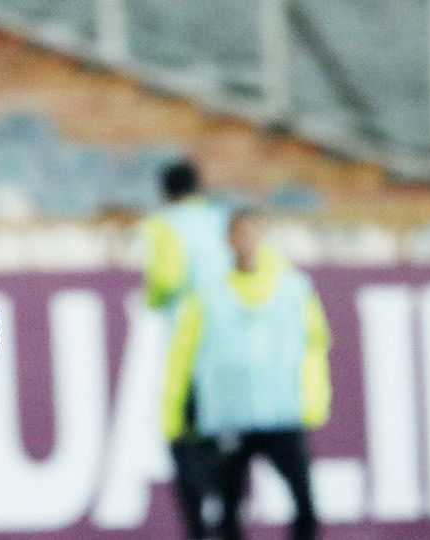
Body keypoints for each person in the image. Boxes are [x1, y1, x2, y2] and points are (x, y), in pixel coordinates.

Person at [161, 210, 331, 540]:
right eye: (239, 234)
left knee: (305, 504)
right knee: (228, 509)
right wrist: (174, 413)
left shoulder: (293, 288)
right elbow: (182, 355)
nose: (246, 242)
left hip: (281, 413)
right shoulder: (206, 292)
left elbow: (315, 345)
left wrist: (314, 400)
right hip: (229, 416)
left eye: (252, 233)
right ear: (228, 240)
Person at [144, 160, 232, 539]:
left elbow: (167, 279)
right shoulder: (223, 220)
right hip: (228, 349)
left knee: (184, 441)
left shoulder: (166, 225)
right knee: (227, 447)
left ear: (166, 192)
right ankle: (229, 524)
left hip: (189, 350)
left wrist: (152, 298)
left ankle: (198, 529)